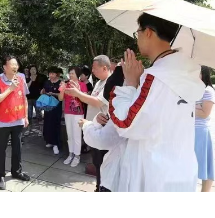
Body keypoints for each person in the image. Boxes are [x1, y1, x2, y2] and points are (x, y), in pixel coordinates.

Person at [81, 13, 205, 192]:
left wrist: (131, 83)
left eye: (137, 33)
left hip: (150, 174)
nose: (137, 38)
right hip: (180, 172)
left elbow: (125, 123)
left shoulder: (156, 76)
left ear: (148, 32)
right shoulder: (186, 73)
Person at [64, 55, 111, 192]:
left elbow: (98, 102)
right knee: (97, 162)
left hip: (103, 130)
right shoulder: (99, 82)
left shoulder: (110, 82)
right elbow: (91, 100)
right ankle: (98, 187)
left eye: (95, 68)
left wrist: (78, 93)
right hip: (93, 128)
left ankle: (102, 188)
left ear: (104, 67)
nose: (92, 70)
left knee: (102, 163)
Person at [0, 55, 30, 191]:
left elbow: (24, 98)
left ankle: (16, 171)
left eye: (16, 65)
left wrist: (26, 116)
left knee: (17, 147)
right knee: (1, 149)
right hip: (3, 121)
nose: (15, 67)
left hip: (18, 119)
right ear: (4, 67)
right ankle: (0, 175)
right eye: (12, 64)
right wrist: (10, 89)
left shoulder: (21, 79)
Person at [59, 66, 88, 167]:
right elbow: (60, 98)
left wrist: (77, 90)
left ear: (78, 74)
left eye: (72, 73)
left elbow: (84, 99)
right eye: (70, 73)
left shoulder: (82, 85)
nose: (70, 75)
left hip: (78, 113)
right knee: (70, 135)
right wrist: (62, 90)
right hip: (68, 112)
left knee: (77, 135)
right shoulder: (66, 84)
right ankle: (71, 154)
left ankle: (77, 156)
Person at [195, 65, 215, 192]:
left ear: (203, 74)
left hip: (200, 132)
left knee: (205, 165)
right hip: (191, 131)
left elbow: (204, 113)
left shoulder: (207, 90)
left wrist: (187, 107)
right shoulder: (194, 90)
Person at [40, 66, 62, 155]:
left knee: (55, 123)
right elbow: (44, 91)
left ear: (57, 74)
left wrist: (53, 94)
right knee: (48, 122)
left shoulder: (60, 83)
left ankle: (56, 144)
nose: (51, 75)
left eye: (53, 73)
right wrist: (42, 92)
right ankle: (49, 141)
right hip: (48, 106)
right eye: (50, 73)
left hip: (56, 106)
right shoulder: (47, 82)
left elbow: (61, 95)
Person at [25, 65, 45, 136]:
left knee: (38, 114)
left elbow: (43, 87)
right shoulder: (27, 78)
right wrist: (31, 80)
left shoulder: (40, 77)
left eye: (34, 69)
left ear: (36, 70)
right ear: (29, 71)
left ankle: (41, 130)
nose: (33, 70)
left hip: (37, 98)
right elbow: (26, 87)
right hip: (29, 99)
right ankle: (29, 129)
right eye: (31, 69)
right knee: (29, 115)